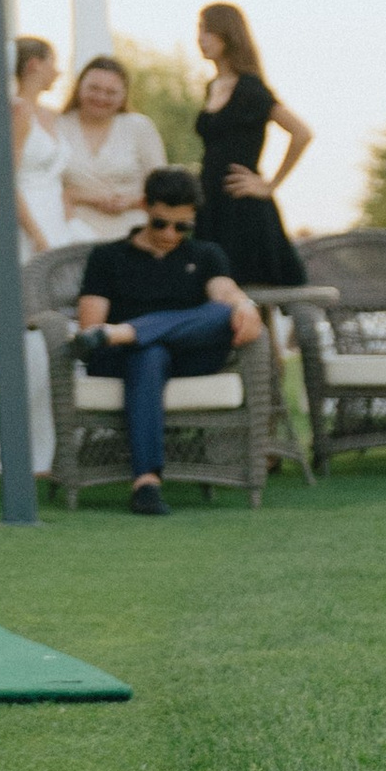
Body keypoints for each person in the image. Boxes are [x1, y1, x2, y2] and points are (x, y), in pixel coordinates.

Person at [71, 167, 266, 515]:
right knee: (149, 353)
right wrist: (128, 340)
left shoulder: (206, 255)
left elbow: (224, 293)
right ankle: (146, 483)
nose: (170, 234)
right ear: (145, 206)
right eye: (160, 223)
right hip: (124, 358)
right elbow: (91, 328)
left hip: (189, 357)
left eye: (182, 226)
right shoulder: (108, 257)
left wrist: (244, 305)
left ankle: (131, 330)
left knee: (223, 312)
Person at [194, 7, 311, 289]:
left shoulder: (249, 88)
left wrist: (269, 185)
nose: (201, 38)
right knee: (215, 289)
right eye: (199, 30)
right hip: (212, 204)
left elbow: (301, 132)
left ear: (228, 35)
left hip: (242, 208)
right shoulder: (212, 86)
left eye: (207, 30)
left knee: (254, 291)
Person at [56, 57, 166, 243]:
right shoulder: (58, 125)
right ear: (79, 87)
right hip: (72, 232)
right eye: (94, 88)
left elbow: (162, 185)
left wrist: (131, 201)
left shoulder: (139, 127)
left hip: (131, 234)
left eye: (111, 92)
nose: (101, 97)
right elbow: (43, 183)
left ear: (123, 95)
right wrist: (85, 197)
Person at [14, 36, 69, 254]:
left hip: (55, 214)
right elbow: (8, 180)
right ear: (34, 64)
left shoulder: (50, 114)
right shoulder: (18, 112)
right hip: (29, 220)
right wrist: (36, 235)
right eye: (52, 63)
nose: (58, 72)